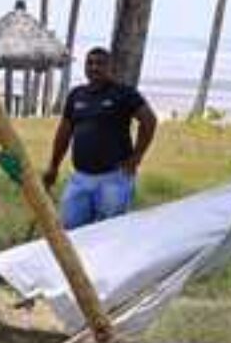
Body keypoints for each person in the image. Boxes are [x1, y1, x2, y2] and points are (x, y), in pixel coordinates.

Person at [44, 47, 158, 230]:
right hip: (80, 177)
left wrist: (137, 157)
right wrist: (54, 166)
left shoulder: (124, 93)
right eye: (90, 63)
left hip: (114, 178)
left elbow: (149, 121)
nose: (94, 67)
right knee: (70, 229)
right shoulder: (76, 95)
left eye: (100, 63)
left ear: (110, 67)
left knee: (108, 232)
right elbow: (64, 133)